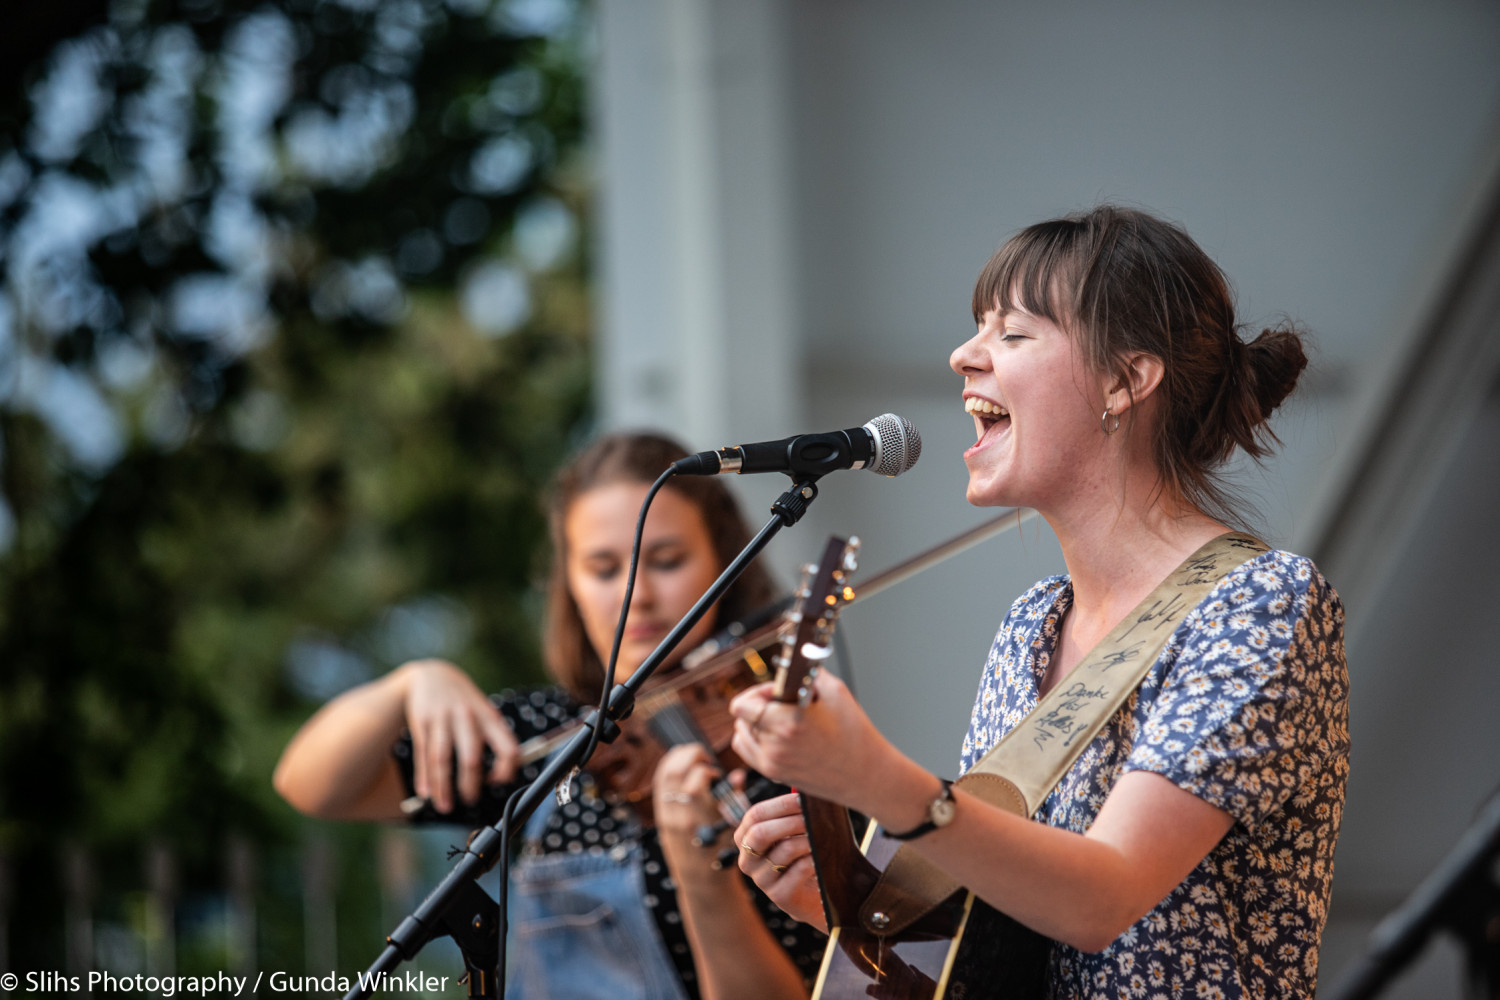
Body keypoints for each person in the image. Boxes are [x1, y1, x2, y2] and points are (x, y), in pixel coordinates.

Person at [727, 206, 1350, 1000]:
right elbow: (1006, 952)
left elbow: (1102, 900)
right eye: (976, 330)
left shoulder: (1262, 603)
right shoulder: (1032, 624)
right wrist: (853, 906)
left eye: (1012, 334)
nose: (962, 356)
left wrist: (873, 777)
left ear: (1126, 379)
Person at [273, 432, 824, 1000]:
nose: (636, 595)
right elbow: (312, 784)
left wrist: (704, 883)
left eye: (666, 560)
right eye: (604, 569)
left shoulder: (773, 750)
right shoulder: (548, 731)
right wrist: (410, 683)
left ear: (723, 560)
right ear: (571, 586)